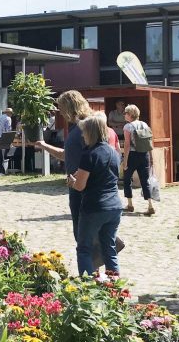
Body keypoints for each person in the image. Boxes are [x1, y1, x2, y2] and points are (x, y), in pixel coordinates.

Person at [67, 112, 122, 276]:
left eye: (84, 132)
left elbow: (80, 186)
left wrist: (72, 181)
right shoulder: (113, 153)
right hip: (114, 206)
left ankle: (88, 289)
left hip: (94, 207)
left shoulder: (89, 154)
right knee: (109, 248)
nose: (82, 135)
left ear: (90, 132)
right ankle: (115, 287)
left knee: (84, 249)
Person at [36, 90, 94, 241]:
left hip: (83, 186)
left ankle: (91, 265)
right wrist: (44, 146)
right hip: (78, 185)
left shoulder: (84, 128)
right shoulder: (77, 128)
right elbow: (65, 155)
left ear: (69, 108)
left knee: (84, 236)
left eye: (61, 108)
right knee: (86, 235)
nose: (60, 113)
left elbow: (95, 156)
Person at [122, 104, 155, 216]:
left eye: (126, 113)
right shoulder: (144, 124)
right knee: (145, 180)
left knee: (127, 179)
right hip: (144, 154)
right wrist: (151, 157)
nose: (124, 115)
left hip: (132, 155)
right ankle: (150, 205)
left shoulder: (128, 127)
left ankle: (130, 204)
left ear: (130, 114)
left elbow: (127, 145)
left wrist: (125, 161)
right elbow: (149, 141)